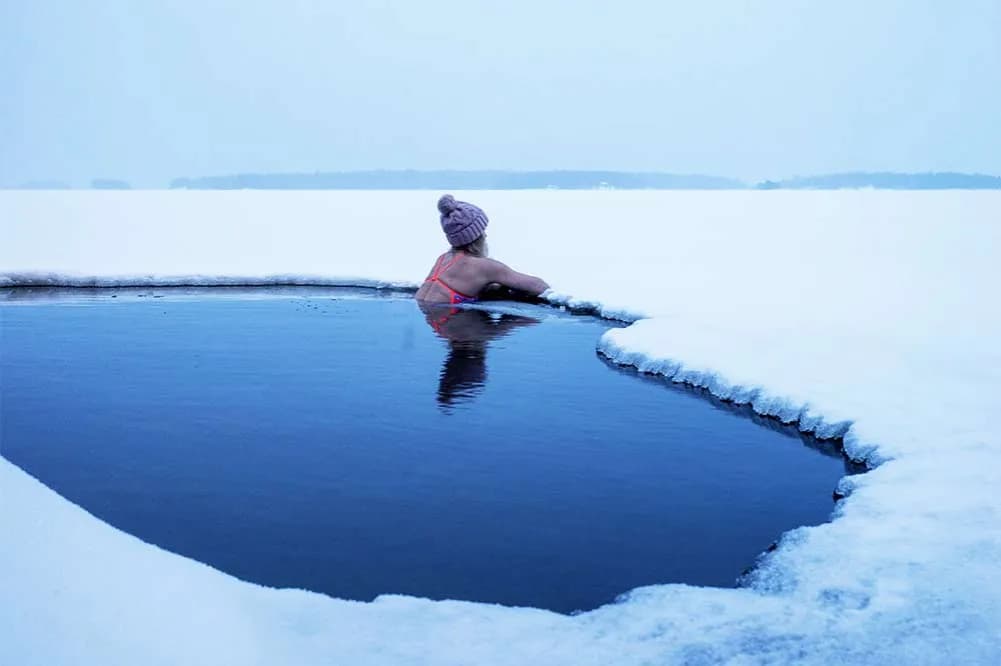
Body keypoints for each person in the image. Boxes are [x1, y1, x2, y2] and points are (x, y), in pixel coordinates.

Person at [415, 194, 549, 305]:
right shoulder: (485, 266)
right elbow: (540, 287)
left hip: (432, 318)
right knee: (515, 322)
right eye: (482, 231)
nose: (485, 235)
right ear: (476, 236)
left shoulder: (443, 258)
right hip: (454, 323)